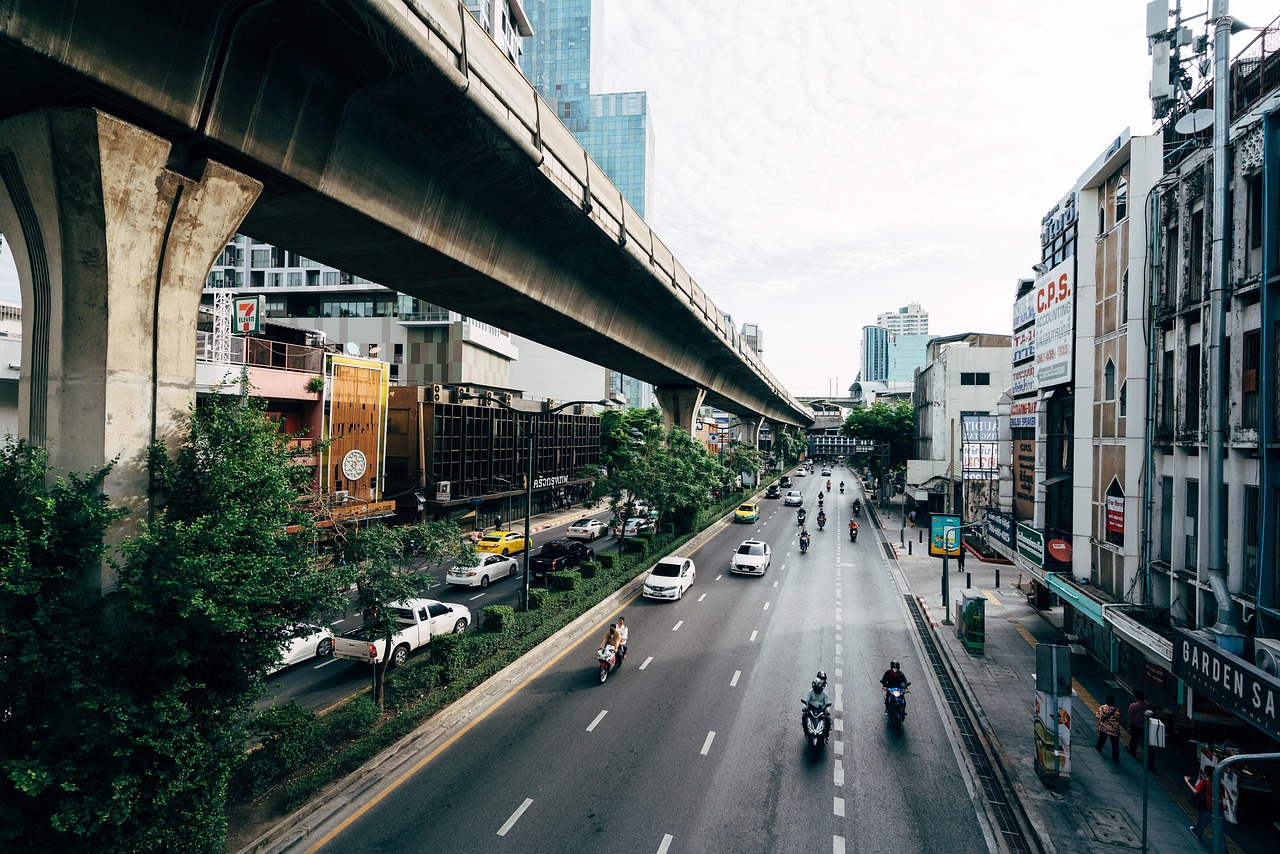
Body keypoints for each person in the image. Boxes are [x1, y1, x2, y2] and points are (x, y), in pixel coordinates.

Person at [1185, 766, 1212, 840]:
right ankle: (1196, 829)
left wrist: (1187, 781)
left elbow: (1195, 791)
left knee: (1202, 820)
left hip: (1206, 806)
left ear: (1206, 774)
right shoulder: (1219, 784)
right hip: (1218, 808)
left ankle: (1197, 832)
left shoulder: (1204, 782)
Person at [1095, 695, 1122, 764]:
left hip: (1105, 727)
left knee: (1102, 738)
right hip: (1114, 729)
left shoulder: (1102, 708)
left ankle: (1099, 747)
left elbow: (1099, 718)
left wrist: (1097, 726)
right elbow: (1120, 719)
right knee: (1115, 744)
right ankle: (1115, 758)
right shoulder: (1117, 710)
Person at [1127, 690, 1152, 760]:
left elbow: (1130, 717)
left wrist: (1129, 725)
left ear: (1136, 697)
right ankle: (1150, 759)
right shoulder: (1148, 707)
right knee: (1147, 743)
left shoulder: (1133, 706)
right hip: (1146, 727)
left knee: (1134, 740)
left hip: (1136, 726)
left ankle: (1132, 751)